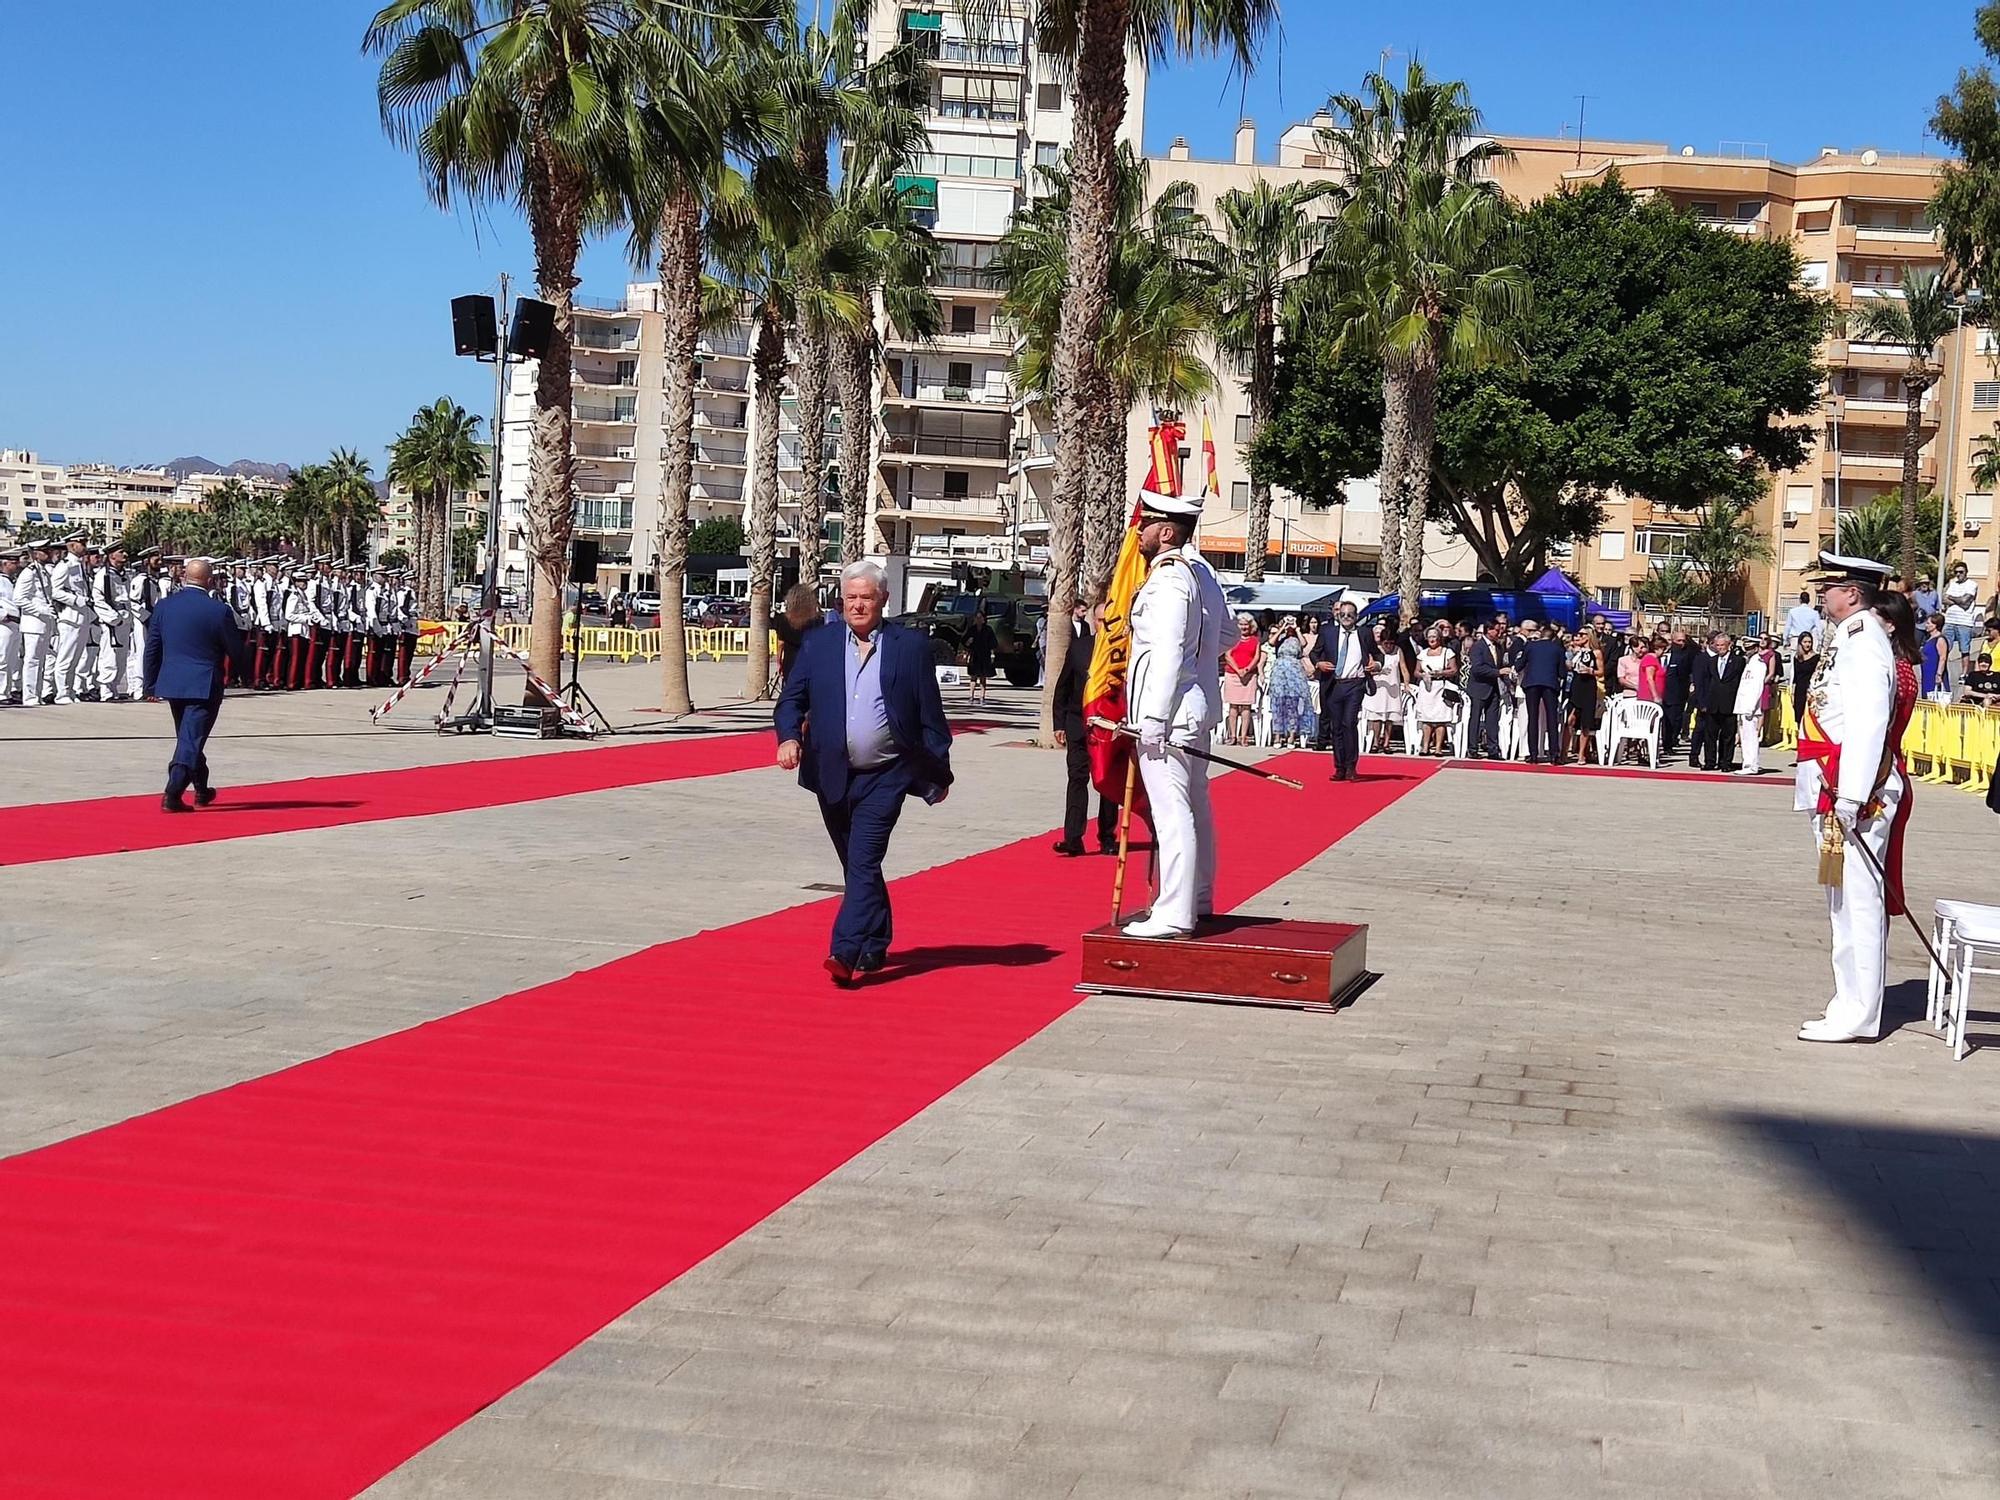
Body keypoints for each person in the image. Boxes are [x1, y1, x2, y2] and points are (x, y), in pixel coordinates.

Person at [777, 560, 953, 982]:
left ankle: (846, 950)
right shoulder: (818, 644)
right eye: (851, 597)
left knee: (863, 858)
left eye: (867, 598)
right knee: (859, 867)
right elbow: (790, 700)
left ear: (884, 600)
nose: (858, 606)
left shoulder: (909, 647)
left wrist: (939, 773)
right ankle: (876, 941)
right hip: (831, 773)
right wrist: (788, 736)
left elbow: (931, 714)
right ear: (841, 600)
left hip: (885, 775)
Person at [1794, 553, 1914, 1043]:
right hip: (1834, 783)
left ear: (1852, 593)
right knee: (1841, 902)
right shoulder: (1849, 637)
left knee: (1858, 902)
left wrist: (1851, 796)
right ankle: (1848, 1002)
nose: (1822, 593)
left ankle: (1861, 1012)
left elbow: (1867, 725)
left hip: (1856, 793)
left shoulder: (1864, 643)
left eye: (1830, 586)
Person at [1118, 488, 1227, 938]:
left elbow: (1164, 654)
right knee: (1196, 805)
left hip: (1168, 714)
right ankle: (1197, 897)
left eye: (1144, 526)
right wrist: (1199, 664)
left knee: (1172, 810)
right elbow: (1228, 636)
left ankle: (1174, 912)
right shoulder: (1200, 571)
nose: (1137, 533)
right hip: (1195, 707)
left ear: (1165, 532)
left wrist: (1153, 720)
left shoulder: (1167, 580)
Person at [141, 559, 253, 813]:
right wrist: (248, 675)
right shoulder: (217, 610)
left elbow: (153, 647)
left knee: (188, 736)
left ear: (184, 578)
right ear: (210, 580)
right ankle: (173, 792)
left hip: (173, 682)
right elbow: (234, 649)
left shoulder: (165, 606)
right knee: (191, 739)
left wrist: (150, 683)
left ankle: (201, 789)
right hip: (204, 683)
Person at [1052, 598, 1118, 857]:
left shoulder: (1121, 652)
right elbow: (1063, 687)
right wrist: (1059, 723)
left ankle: (1107, 836)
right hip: (1078, 724)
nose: (1104, 625)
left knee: (1106, 782)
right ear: (1093, 621)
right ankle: (1073, 838)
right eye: (1100, 620)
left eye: (1108, 621)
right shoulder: (1079, 648)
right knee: (1077, 779)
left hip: (1109, 727)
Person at [1312, 600, 1379, 781]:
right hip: (1334, 684)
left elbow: (1377, 654)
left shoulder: (1364, 633)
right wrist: (1318, 663)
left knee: (1349, 723)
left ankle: (1351, 766)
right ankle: (1339, 767)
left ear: (1356, 617)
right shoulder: (1328, 633)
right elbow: (1314, 653)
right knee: (1337, 728)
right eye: (1343, 614)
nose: (1346, 618)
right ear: (1338, 616)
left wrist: (1376, 664)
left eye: (1350, 614)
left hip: (1355, 684)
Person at [1689, 632, 1744, 771]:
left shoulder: (1738, 661)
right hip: (1712, 704)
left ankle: (1725, 763)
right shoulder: (1711, 661)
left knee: (1728, 736)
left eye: (1722, 645)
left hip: (1729, 703)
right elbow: (1704, 683)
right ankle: (1710, 761)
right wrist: (1703, 703)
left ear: (1729, 645)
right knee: (1710, 736)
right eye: (1717, 645)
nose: (1720, 648)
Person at [1515, 619, 1567, 764]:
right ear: (1552, 637)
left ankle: (1532, 754)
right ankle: (1554, 754)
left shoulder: (1530, 646)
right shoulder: (1557, 649)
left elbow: (1520, 664)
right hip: (1550, 683)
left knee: (1533, 718)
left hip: (1532, 683)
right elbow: (1562, 672)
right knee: (1551, 718)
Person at [15, 540, 57, 707]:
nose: (48, 553)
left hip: (44, 623)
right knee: (32, 660)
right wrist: (40, 611)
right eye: (44, 550)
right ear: (35, 554)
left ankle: (37, 695)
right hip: (33, 623)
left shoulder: (44, 572)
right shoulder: (29, 573)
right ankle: (30, 696)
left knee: (41, 661)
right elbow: (19, 598)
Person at [1361, 619, 1406, 754]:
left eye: (1391, 643)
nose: (1389, 646)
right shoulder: (1375, 651)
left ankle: (1386, 742)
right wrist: (1378, 671)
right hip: (1378, 686)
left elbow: (1403, 668)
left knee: (1389, 716)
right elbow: (1367, 669)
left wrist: (1407, 683)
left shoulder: (1398, 651)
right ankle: (1375, 742)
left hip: (1392, 687)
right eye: (1386, 643)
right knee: (1377, 716)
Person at [1464, 619, 1504, 758]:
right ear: (1489, 630)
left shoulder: (1498, 647)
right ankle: (1472, 748)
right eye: (1496, 630)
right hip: (1479, 688)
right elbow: (1477, 669)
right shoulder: (1478, 647)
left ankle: (1493, 749)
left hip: (1493, 688)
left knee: (1492, 720)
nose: (1499, 632)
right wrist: (1497, 672)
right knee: (1475, 718)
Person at [774, 582, 828, 684]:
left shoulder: (783, 620)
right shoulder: (817, 620)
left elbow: (781, 643)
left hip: (790, 662)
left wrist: (779, 662)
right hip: (810, 661)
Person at [1733, 632, 1770, 776]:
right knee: (1745, 736)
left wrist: (1751, 707)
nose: (1747, 651)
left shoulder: (1759, 665)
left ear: (1755, 648)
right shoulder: (1750, 664)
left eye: (1750, 648)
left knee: (1750, 737)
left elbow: (1756, 687)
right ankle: (1747, 763)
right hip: (1744, 706)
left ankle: (1751, 765)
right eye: (1745, 648)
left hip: (1751, 707)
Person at [1221, 614, 1260, 746]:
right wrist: (1238, 670)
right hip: (1233, 674)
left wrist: (1247, 669)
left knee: (1246, 707)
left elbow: (1256, 657)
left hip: (1249, 676)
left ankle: (1243, 737)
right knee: (1233, 706)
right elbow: (1228, 655)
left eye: (1246, 624)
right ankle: (1232, 736)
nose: (1243, 627)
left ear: (1250, 626)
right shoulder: (1233, 639)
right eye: (1241, 624)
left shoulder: (1255, 640)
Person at [1564, 629, 1602, 764]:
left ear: (1589, 636)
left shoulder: (1596, 652)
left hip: (1588, 685)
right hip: (1576, 684)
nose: (1579, 636)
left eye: (1582, 634)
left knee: (1586, 722)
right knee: (1570, 719)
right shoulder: (1575, 651)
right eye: (1578, 634)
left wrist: (1590, 670)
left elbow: (1601, 671)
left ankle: (1581, 754)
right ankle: (1564, 752)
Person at [1662, 629, 1697, 756]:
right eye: (1678, 640)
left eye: (1683, 640)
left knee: (1675, 720)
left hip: (1678, 693)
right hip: (1661, 691)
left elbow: (1690, 671)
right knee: (1665, 721)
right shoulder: (1661, 654)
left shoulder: (1687, 655)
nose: (1681, 643)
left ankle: (1670, 743)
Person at [1943, 560, 1980, 676]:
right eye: (1956, 572)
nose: (1958, 574)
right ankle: (1942, 670)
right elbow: (1944, 599)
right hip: (1949, 620)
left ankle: (1964, 673)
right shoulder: (1952, 584)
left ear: (1966, 572)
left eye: (1961, 572)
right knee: (1944, 647)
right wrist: (1958, 599)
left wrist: (1952, 598)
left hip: (1964, 622)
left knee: (1964, 649)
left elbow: (1966, 602)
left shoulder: (1972, 585)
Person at [965, 609, 997, 708]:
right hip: (974, 655)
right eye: (977, 617)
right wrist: (968, 642)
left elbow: (993, 643)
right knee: (973, 677)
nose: (978, 619)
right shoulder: (972, 629)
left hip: (985, 656)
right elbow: (964, 641)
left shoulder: (988, 629)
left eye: (980, 617)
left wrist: (992, 654)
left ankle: (982, 697)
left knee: (983, 677)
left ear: (984, 619)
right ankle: (971, 697)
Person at [0, 548, 20, 705]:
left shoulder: (11, 581)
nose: (17, 565)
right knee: (2, 659)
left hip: (15, 623)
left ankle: (7, 691)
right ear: (4, 564)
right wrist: (2, 615)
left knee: (12, 660)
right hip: (4, 623)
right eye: (14, 563)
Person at [1920, 613, 1951, 703]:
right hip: (1927, 673)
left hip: (1934, 673)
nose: (1926, 625)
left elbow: (1943, 658)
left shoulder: (1940, 639)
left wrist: (1939, 675)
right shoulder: (1928, 638)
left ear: (1936, 625)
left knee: (1935, 699)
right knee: (1927, 698)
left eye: (1929, 623)